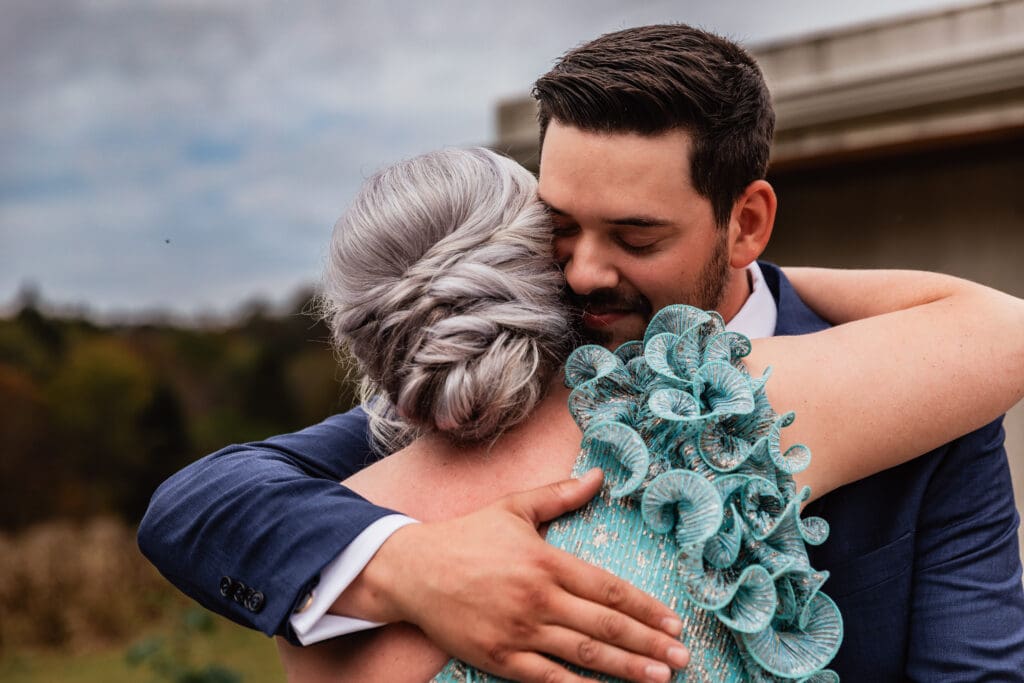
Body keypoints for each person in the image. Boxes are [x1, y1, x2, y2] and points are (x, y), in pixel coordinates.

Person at [138, 24, 1024, 681]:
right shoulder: (505, 376)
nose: (585, 273)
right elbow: (202, 501)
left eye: (636, 237)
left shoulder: (925, 389)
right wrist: (412, 567)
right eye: (559, 228)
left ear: (746, 223)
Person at [268, 145, 1024, 681]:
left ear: (355, 325)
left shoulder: (320, 567)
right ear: (542, 266)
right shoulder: (696, 410)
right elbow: (1000, 328)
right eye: (565, 233)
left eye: (634, 236)